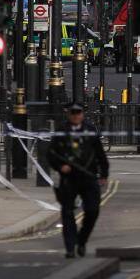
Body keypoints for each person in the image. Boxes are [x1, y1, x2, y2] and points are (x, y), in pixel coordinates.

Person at [47, 103, 108, 258]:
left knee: (93, 211)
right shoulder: (62, 131)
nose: (75, 115)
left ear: (82, 114)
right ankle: (70, 247)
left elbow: (100, 154)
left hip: (88, 176)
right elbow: (51, 154)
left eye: (78, 112)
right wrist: (61, 167)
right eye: (72, 112)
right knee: (67, 213)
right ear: (68, 114)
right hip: (69, 178)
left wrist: (104, 174)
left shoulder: (89, 131)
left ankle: (81, 241)